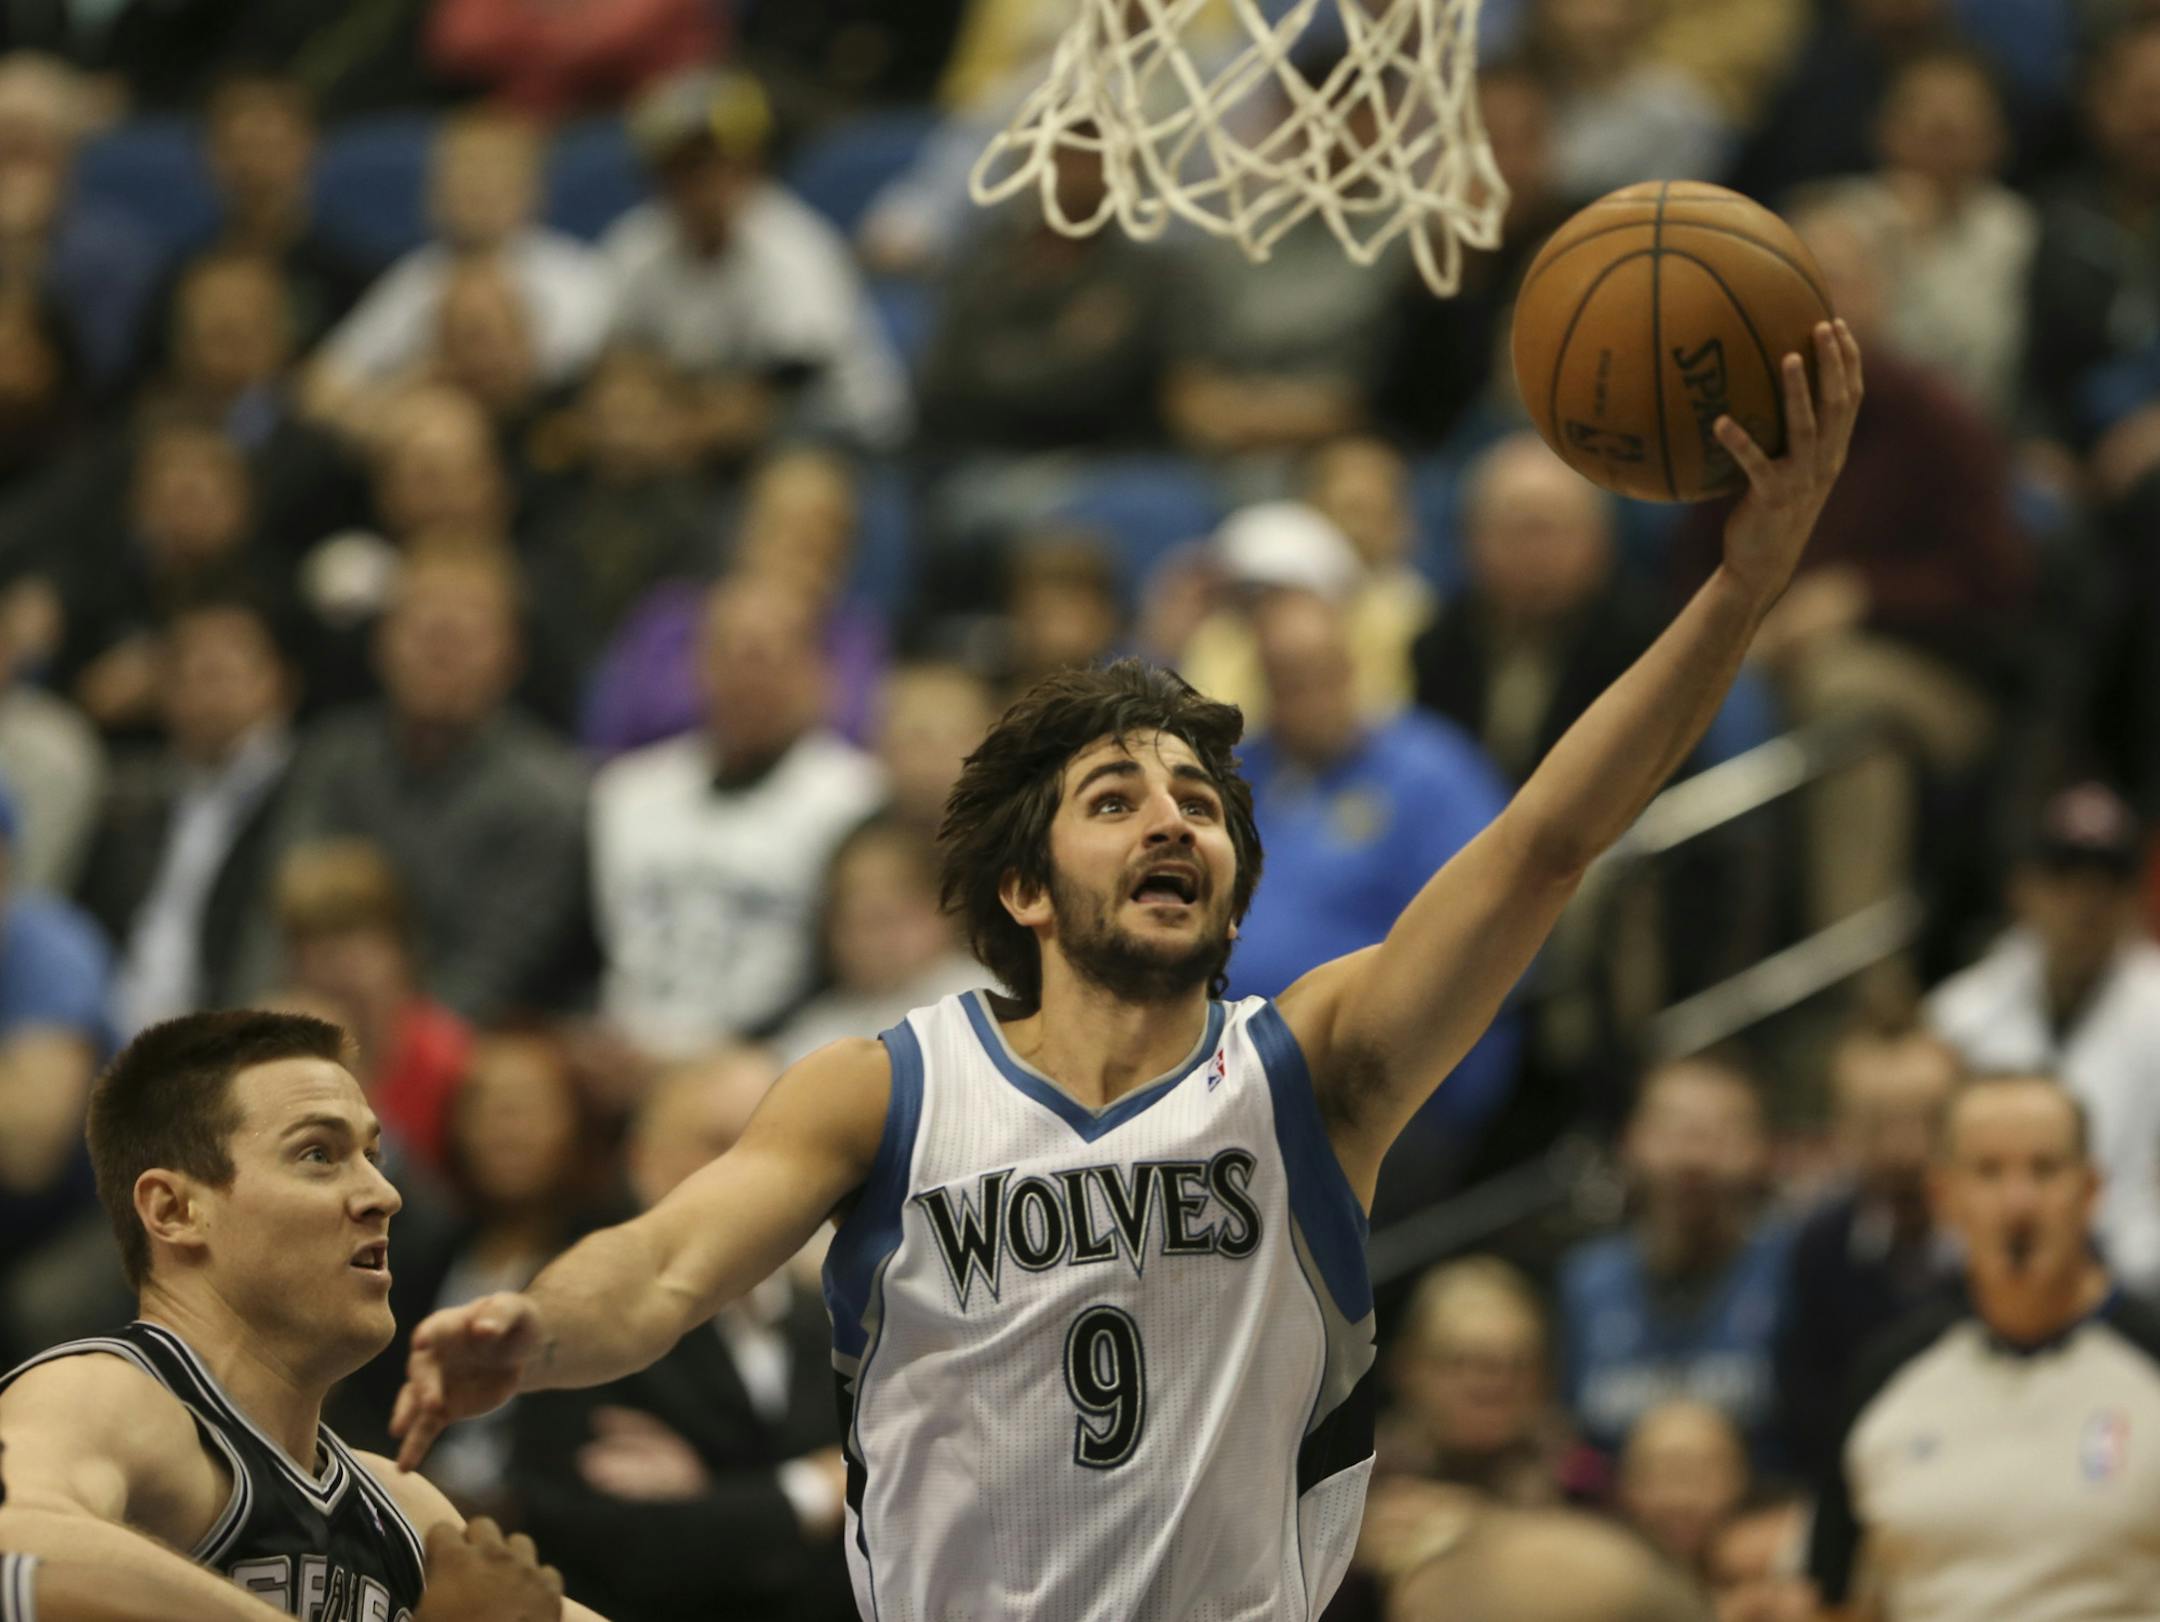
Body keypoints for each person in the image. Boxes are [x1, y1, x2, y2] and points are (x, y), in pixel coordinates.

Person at [392, 323, 1863, 1620]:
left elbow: (1547, 840)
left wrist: (1738, 589)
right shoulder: (885, 1088)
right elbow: (659, 1265)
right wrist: (537, 1328)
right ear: (1024, 887)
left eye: (1201, 803)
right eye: (1117, 798)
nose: (1175, 815)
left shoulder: (1309, 1066)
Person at [0, 1008, 605, 1621]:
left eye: (374, 1155)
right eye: (318, 1154)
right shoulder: (104, 1394)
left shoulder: (404, 1507)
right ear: (175, 1209)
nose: (383, 1194)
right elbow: (12, 1540)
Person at [508, 1048, 856, 1622]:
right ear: (644, 1162)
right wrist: (815, 1491)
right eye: (721, 1143)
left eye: (775, 1149)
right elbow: (623, 1549)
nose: (755, 1176)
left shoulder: (831, 1316)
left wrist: (711, 1502)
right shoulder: (574, 1311)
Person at [1809, 1073, 2160, 1621]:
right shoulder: (1885, 1373)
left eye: (2045, 1170)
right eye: (1988, 1172)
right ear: (1943, 1196)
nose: (2018, 1203)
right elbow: (1831, 1599)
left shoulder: (2150, 1355)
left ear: (2091, 1191)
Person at [275, 540, 589, 1023]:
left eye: (464, 636)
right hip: (314, 1022)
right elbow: (281, 917)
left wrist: (383, 1051)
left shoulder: (549, 794)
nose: (440, 653)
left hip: (457, 1051)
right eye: (422, 631)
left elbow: (491, 975)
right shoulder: (332, 758)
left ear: (511, 656)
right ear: (381, 644)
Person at [590, 572, 886, 1059]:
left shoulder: (858, 801)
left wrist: (718, 1058)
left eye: (766, 658)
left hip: (776, 1063)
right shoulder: (624, 792)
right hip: (623, 1055)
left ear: (817, 673)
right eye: (727, 654)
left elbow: (845, 974)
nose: (745, 678)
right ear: (694, 666)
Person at [1925, 782, 2160, 1293]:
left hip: (2142, 1298)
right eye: (2064, 878)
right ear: (2022, 888)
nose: (2085, 901)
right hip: (1982, 1290)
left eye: (2107, 882)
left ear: (2132, 896)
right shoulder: (1958, 1017)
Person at [602, 69, 911, 455]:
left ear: (753, 164)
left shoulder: (795, 250)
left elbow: (772, 403)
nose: (705, 182)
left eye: (718, 162)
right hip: (708, 443)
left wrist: (662, 438)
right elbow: (618, 364)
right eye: (685, 166)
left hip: (835, 444)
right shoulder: (637, 246)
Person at [1556, 1057, 1794, 1467]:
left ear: (1763, 1149)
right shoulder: (1582, 1282)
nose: (1693, 1157)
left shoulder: (1797, 1269)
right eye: (1672, 1128)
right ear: (1629, 1142)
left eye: (1722, 1132)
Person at [82, 586, 298, 1037]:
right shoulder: (129, 799)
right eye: (189, 671)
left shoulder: (308, 788)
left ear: (277, 680)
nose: (206, 687)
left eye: (225, 669)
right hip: (114, 1042)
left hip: (241, 1032)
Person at [1774, 1020, 1964, 1479]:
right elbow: (1808, 1412)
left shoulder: (2006, 1237)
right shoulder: (1818, 1249)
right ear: (1839, 1129)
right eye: (1876, 1125)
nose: (1905, 1150)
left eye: (1930, 1121)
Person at [1614, 1398, 1749, 1572]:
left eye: (1701, 1476)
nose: (1681, 1500)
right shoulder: (1602, 1586)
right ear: (1627, 1487)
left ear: (1739, 1480)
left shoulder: (1778, 1577)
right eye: (1663, 1475)